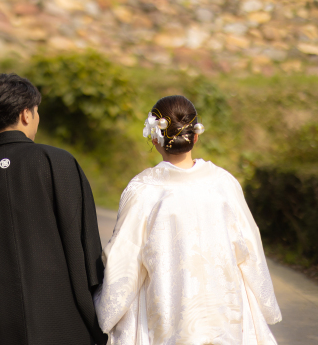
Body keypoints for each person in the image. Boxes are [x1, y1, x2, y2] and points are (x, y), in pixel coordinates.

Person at [0, 73, 108, 345]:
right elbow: (87, 249)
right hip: (64, 320)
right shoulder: (60, 164)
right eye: (36, 111)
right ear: (26, 114)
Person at [95, 95, 281, 344]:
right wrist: (265, 302)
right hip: (225, 313)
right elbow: (250, 245)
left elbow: (124, 260)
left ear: (154, 137)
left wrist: (104, 311)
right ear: (195, 136)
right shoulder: (223, 183)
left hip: (168, 313)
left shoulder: (143, 189)